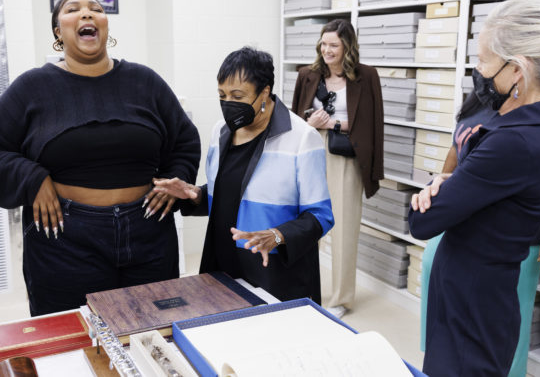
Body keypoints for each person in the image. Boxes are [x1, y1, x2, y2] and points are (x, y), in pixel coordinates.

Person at [0, 0, 200, 316]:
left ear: (106, 26)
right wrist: (33, 178)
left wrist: (175, 182)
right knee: (76, 339)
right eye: (73, 9)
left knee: (154, 331)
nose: (87, 14)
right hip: (64, 239)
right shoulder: (32, 88)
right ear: (57, 32)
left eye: (96, 9)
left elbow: (184, 141)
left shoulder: (145, 81)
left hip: (148, 232)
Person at [409, 0, 540, 376]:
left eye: (484, 61)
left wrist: (436, 185)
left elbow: (422, 222)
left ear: (518, 70)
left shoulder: (512, 141)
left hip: (470, 306)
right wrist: (450, 181)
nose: (479, 72)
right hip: (481, 293)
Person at [151, 46, 334, 303]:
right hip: (221, 259)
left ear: (264, 92)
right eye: (222, 95)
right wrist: (195, 195)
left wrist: (276, 235)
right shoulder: (221, 131)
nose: (228, 104)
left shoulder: (302, 137)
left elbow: (320, 217)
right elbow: (231, 193)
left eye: (238, 95)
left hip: (270, 268)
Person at [290, 19, 383, 317]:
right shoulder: (307, 75)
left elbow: (373, 123)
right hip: (311, 153)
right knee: (306, 225)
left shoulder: (366, 76)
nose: (326, 50)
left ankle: (341, 299)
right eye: (323, 43)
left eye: (334, 45)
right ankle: (304, 290)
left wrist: (335, 124)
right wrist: (310, 124)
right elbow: (293, 120)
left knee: (343, 229)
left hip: (345, 156)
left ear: (347, 48)